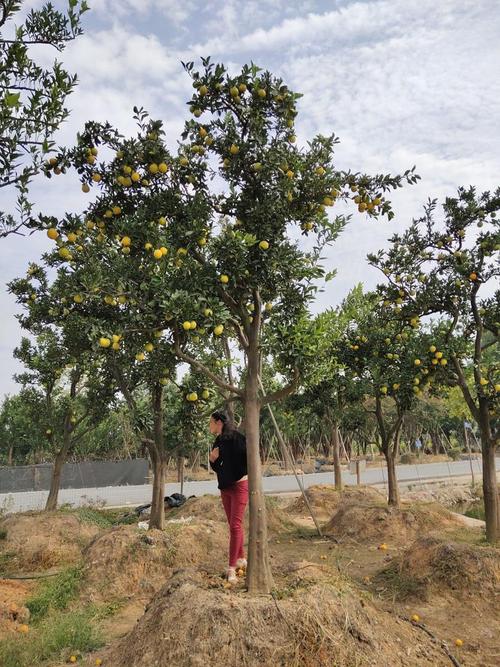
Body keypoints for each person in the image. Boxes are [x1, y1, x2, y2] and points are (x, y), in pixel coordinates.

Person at [208, 410, 248, 583]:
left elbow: (247, 460)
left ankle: (231, 568)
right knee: (233, 525)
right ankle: (242, 559)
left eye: (211, 422)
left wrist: (239, 476)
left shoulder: (238, 439)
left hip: (239, 486)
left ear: (219, 422)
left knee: (235, 526)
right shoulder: (218, 441)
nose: (209, 426)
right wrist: (212, 460)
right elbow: (218, 468)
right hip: (225, 488)